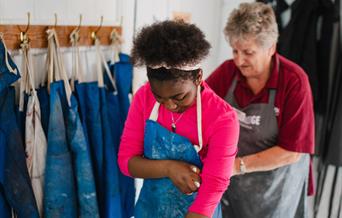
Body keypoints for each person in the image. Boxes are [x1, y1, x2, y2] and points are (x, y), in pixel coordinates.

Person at [118, 20, 239, 218]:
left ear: (199, 77)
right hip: (150, 209)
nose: (169, 105)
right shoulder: (143, 97)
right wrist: (168, 168)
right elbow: (126, 162)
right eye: (159, 96)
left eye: (179, 97)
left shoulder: (222, 118)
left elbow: (214, 185)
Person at [206, 2, 315, 218]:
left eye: (247, 52)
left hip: (278, 188)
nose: (238, 60)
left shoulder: (294, 81)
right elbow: (200, 111)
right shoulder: (227, 73)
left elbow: (292, 152)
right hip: (236, 188)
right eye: (235, 51)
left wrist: (236, 166)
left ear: (271, 48)